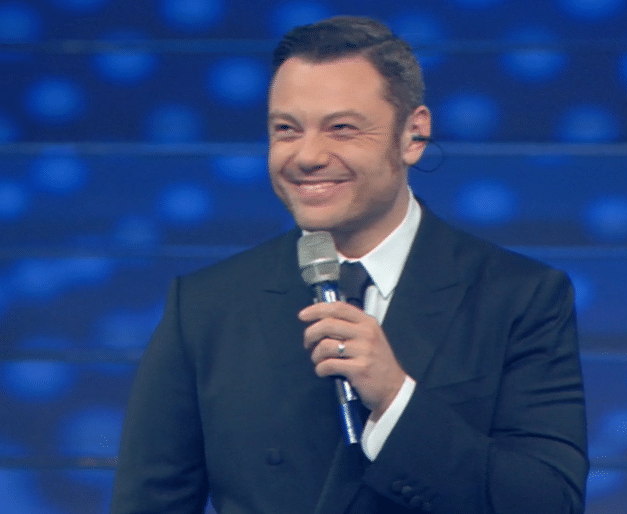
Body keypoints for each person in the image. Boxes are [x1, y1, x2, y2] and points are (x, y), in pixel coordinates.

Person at [111, 15, 588, 514]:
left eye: (341, 129)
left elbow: (549, 502)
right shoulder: (205, 307)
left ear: (413, 135)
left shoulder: (519, 296)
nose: (308, 156)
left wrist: (395, 398)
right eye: (286, 130)